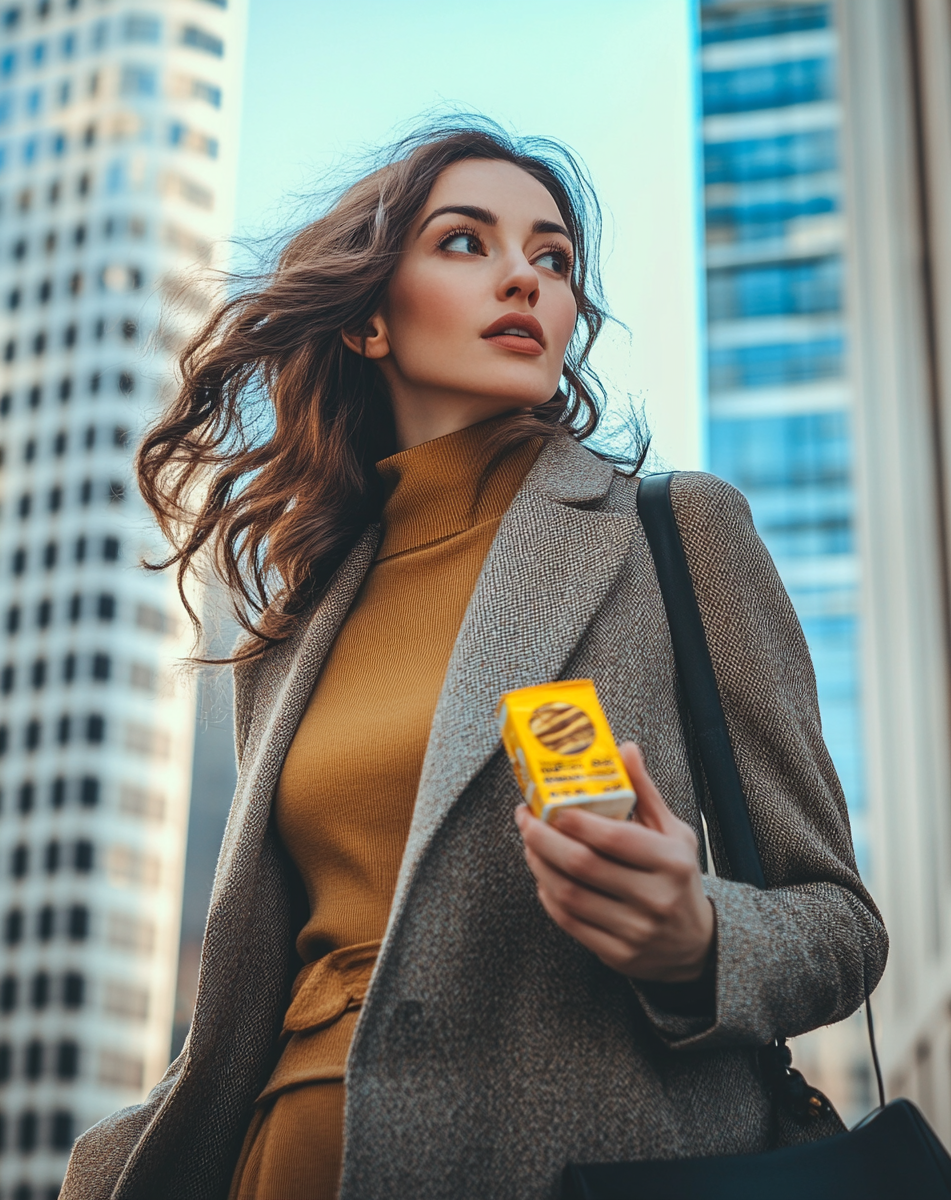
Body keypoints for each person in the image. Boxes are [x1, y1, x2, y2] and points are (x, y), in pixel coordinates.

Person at [62, 120, 886, 1200]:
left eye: (552, 258)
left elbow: (839, 926)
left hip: (569, 1167)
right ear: (366, 319)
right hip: (287, 1162)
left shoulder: (674, 534)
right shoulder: (297, 615)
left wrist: (696, 936)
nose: (525, 279)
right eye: (467, 243)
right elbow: (246, 995)